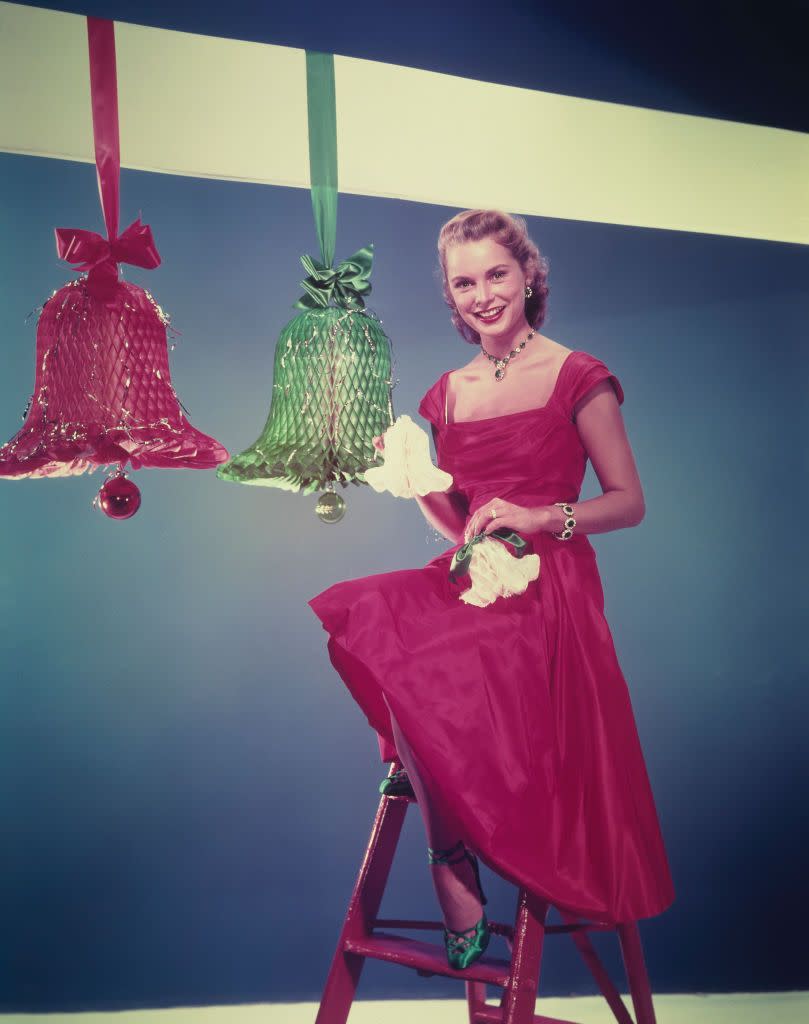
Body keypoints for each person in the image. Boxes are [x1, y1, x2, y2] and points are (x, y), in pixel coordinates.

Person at [308, 208, 675, 971]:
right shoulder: (448, 393)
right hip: (479, 580)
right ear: (449, 293)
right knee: (372, 612)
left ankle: (445, 839)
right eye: (463, 282)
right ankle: (452, 852)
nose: (482, 295)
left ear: (528, 275)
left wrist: (541, 515)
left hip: (552, 593)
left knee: (433, 667)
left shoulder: (577, 374)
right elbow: (459, 528)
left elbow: (629, 501)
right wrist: (411, 478)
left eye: (495, 275)